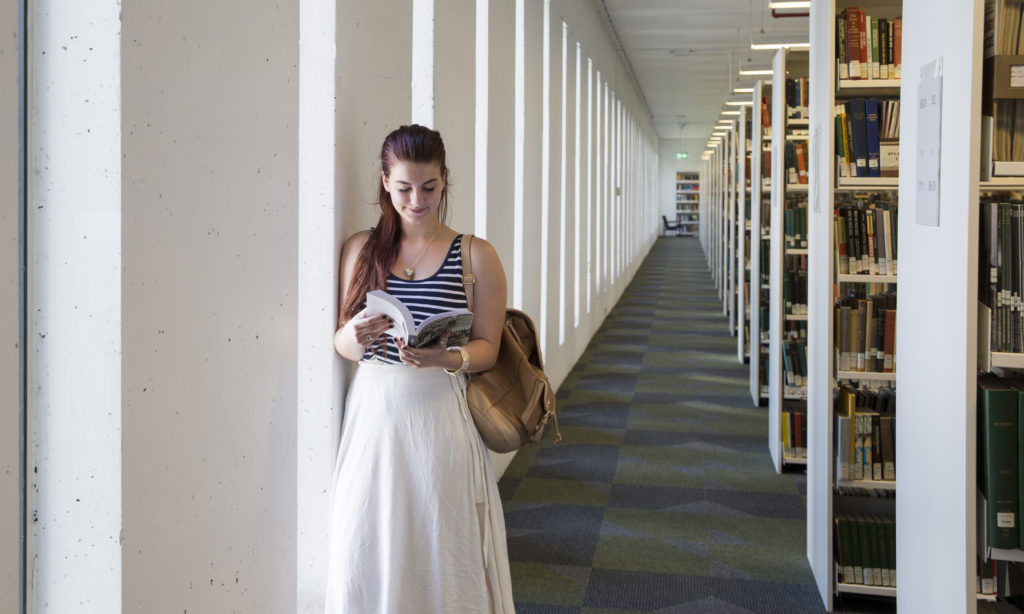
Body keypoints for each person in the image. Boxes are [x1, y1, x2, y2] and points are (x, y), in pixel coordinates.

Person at [325, 124, 515, 613]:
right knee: (368, 535)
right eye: (405, 187)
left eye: (429, 187)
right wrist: (358, 335)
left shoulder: (475, 254)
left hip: (439, 415)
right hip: (373, 415)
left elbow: (489, 348)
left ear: (445, 181)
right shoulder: (362, 248)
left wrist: (447, 357)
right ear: (385, 182)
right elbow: (341, 341)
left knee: (439, 539)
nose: (416, 199)